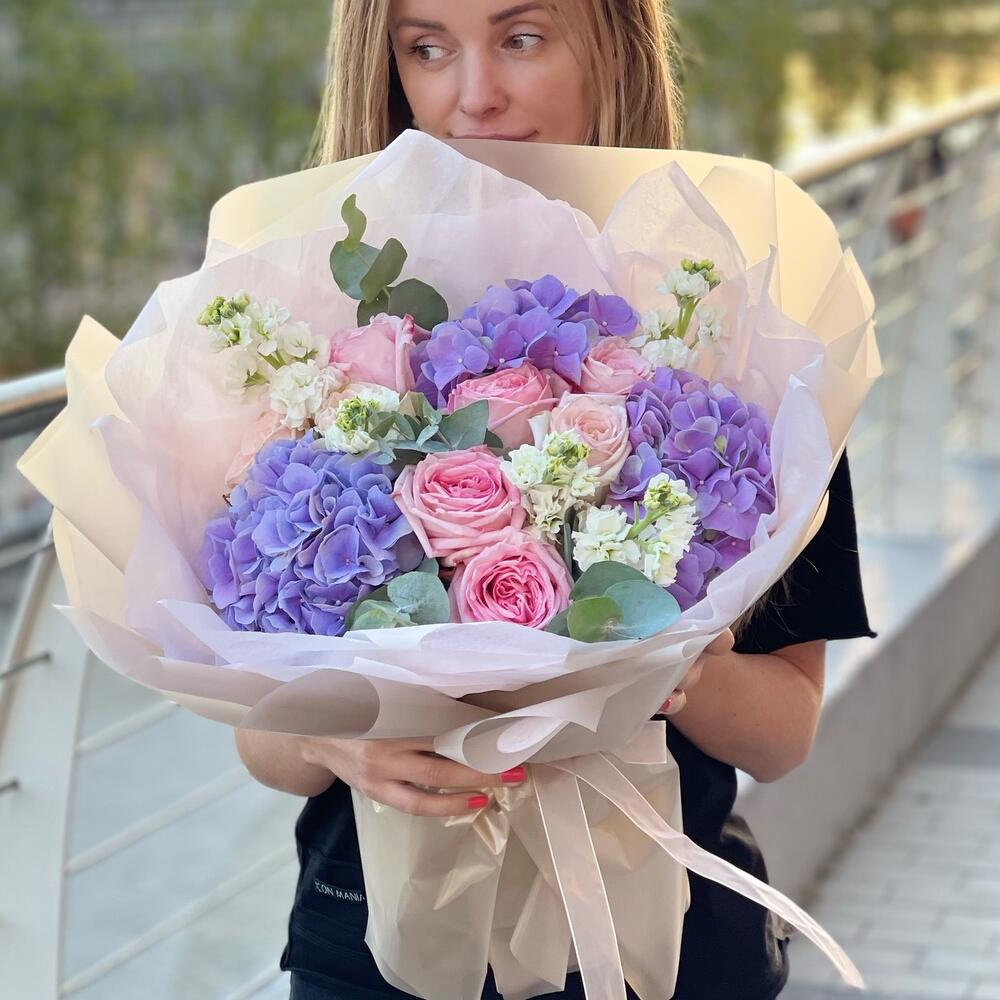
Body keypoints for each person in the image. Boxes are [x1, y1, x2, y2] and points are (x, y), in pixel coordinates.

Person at [235, 2, 877, 997]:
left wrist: (670, 660)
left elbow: (784, 733)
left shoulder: (741, 334)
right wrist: (329, 734)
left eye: (520, 38)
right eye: (426, 48)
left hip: (666, 942)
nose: (473, 94)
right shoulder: (316, 334)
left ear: (612, 46)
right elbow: (263, 744)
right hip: (375, 942)